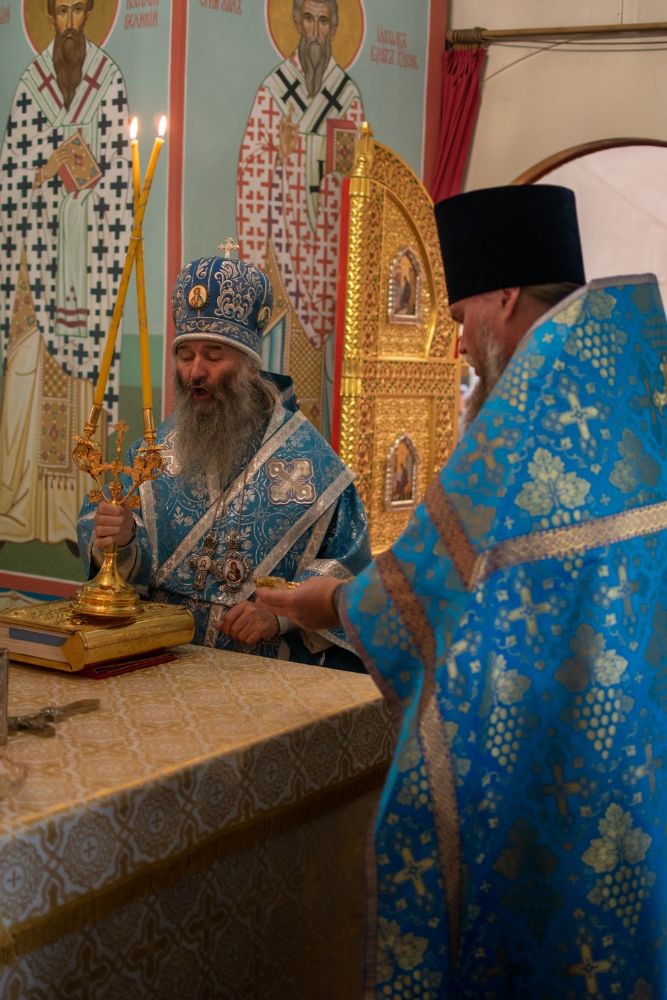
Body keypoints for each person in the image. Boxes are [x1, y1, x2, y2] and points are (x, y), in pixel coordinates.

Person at [256, 185, 667, 995]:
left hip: (560, 766)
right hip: (637, 750)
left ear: (504, 297)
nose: (456, 343)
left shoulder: (532, 405)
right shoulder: (628, 374)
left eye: (458, 317)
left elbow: (426, 591)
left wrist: (325, 601)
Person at [77, 246, 370, 667]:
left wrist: (281, 614)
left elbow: (349, 567)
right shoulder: (152, 454)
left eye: (213, 356)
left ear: (249, 365)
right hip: (162, 662)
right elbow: (109, 541)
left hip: (262, 671)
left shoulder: (312, 466)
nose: (196, 371)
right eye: (185, 356)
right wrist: (121, 543)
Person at [0, 0, 132, 545]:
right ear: (49, 17)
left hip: (89, 263)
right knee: (25, 374)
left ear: (90, 14)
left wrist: (84, 187)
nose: (71, 23)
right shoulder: (30, 85)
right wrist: (46, 171)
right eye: (61, 11)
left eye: (80, 10)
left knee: (82, 387)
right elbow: (10, 177)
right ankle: (17, 509)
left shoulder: (108, 81)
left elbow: (122, 183)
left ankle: (76, 517)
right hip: (35, 261)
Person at [236, 0, 364, 436]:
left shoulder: (347, 97)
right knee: (276, 357)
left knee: (318, 374)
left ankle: (314, 455)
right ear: (295, 23)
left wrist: (338, 171)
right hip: (280, 247)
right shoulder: (274, 89)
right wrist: (280, 155)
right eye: (308, 19)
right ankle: (266, 444)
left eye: (324, 21)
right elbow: (251, 165)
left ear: (334, 28)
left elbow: (357, 173)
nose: (315, 30)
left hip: (325, 255)